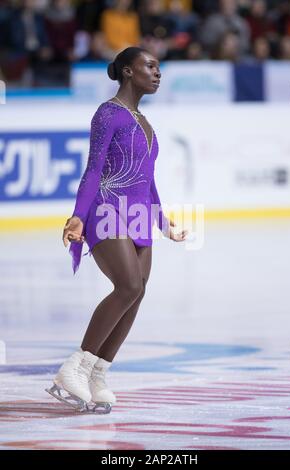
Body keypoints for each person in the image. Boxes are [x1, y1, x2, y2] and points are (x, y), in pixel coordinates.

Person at [46, 46, 188, 413]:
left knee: (137, 293)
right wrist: (78, 215)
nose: (157, 73)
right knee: (127, 285)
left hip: (139, 214)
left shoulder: (146, 122)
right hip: (107, 210)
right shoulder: (108, 114)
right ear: (128, 71)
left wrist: (163, 222)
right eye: (150, 66)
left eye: (159, 67)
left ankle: (97, 373)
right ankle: (73, 366)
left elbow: (147, 181)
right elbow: (93, 170)